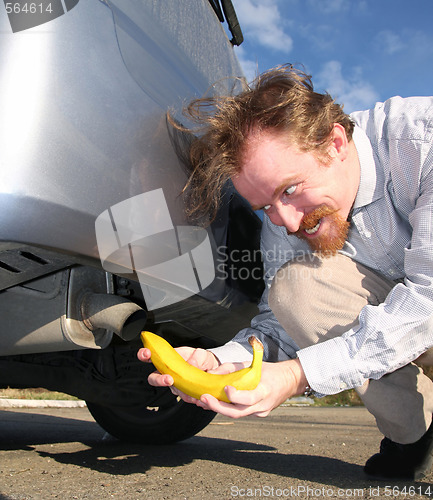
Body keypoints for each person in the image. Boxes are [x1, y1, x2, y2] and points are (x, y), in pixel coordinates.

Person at [137, 65, 433, 481]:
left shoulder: (422, 141)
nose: (289, 223)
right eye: (266, 206)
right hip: (395, 305)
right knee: (294, 289)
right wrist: (221, 360)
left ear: (335, 143)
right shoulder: (282, 223)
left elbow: (427, 303)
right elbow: (279, 326)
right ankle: (415, 432)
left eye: (289, 190)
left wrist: (297, 377)